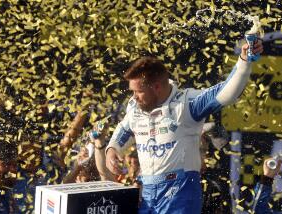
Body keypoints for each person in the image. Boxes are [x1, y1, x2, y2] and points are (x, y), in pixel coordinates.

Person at [105, 40, 263, 213]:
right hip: (147, 191)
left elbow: (226, 93)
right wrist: (112, 150)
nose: (134, 97)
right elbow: (124, 129)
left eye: (138, 91)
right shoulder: (135, 107)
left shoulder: (187, 103)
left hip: (180, 190)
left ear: (156, 87)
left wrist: (243, 61)